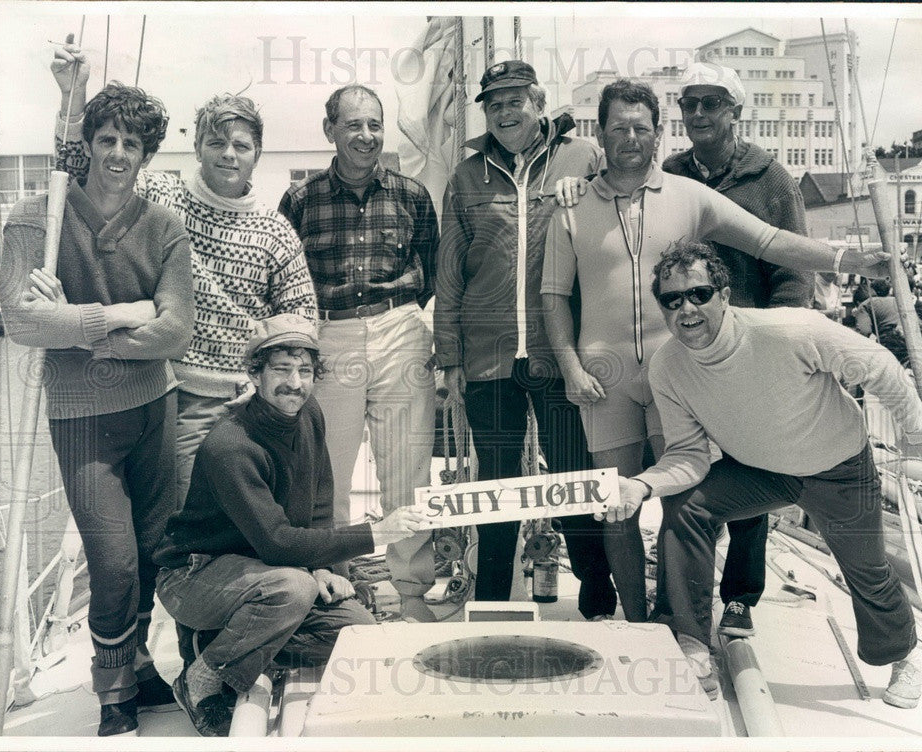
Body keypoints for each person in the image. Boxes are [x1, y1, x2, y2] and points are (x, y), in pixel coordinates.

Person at [543, 78, 891, 622]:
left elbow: (770, 241)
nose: (629, 137)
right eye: (618, 128)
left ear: (658, 133)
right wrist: (569, 367)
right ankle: (638, 621)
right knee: (615, 507)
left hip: (678, 374)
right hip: (602, 376)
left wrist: (848, 261)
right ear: (601, 134)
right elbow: (554, 297)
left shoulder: (691, 197)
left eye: (641, 127)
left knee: (683, 500)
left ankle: (680, 617)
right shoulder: (572, 206)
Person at [605, 241, 922, 705]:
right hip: (759, 470)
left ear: (725, 295)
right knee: (686, 507)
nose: (686, 309)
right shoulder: (668, 367)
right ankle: (690, 641)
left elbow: (880, 368)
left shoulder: (791, 330)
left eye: (699, 294)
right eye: (672, 300)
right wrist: (642, 485)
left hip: (838, 468)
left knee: (868, 571)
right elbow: (689, 456)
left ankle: (901, 657)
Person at [0, 83, 195, 736]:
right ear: (84, 145)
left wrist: (75, 324)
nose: (116, 153)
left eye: (130, 144)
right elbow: (22, 321)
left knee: (149, 550)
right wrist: (117, 314)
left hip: (154, 408)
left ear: (146, 155)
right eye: (105, 139)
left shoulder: (164, 227)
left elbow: (176, 332)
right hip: (81, 418)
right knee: (111, 560)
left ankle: (136, 662)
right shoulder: (37, 220)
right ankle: (113, 693)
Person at [52, 44, 319, 509]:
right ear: (197, 147)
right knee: (182, 517)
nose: (228, 155)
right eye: (216, 143)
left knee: (255, 520)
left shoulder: (276, 230)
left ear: (257, 153)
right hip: (174, 395)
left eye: (241, 145)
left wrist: (261, 382)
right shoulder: (161, 195)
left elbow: (301, 324)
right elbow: (81, 168)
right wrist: (72, 102)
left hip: (248, 400)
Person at [153, 314, 427, 736]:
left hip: (265, 575)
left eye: (304, 371)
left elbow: (319, 503)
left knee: (358, 633)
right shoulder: (231, 445)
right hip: (195, 575)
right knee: (292, 589)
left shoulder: (309, 413)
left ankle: (222, 644)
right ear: (255, 374)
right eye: (281, 370)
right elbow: (279, 543)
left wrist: (328, 569)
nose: (294, 383)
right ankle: (200, 679)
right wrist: (379, 532)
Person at [434, 60, 619, 619]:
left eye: (516, 100)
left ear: (539, 103)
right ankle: (492, 598)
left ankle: (593, 585)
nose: (505, 112)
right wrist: (449, 357)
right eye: (495, 104)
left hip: (557, 350)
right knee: (496, 482)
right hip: (488, 355)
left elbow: (615, 220)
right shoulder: (466, 179)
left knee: (573, 471)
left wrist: (586, 189)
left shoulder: (582, 158)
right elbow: (449, 273)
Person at [662, 62, 814, 638]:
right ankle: (682, 596)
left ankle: (740, 596)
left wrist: (777, 347)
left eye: (712, 103)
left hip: (750, 351)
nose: (698, 113)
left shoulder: (772, 181)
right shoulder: (671, 174)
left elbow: (793, 270)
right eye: (690, 103)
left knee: (752, 468)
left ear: (736, 112)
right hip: (685, 351)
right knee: (686, 473)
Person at [278, 85, 439, 623]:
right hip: (332, 336)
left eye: (375, 124)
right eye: (353, 125)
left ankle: (413, 594)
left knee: (407, 473)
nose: (366, 136)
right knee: (327, 472)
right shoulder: (300, 201)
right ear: (330, 131)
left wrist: (406, 321)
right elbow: (287, 283)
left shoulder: (412, 195)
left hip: (399, 327)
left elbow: (432, 270)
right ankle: (337, 588)